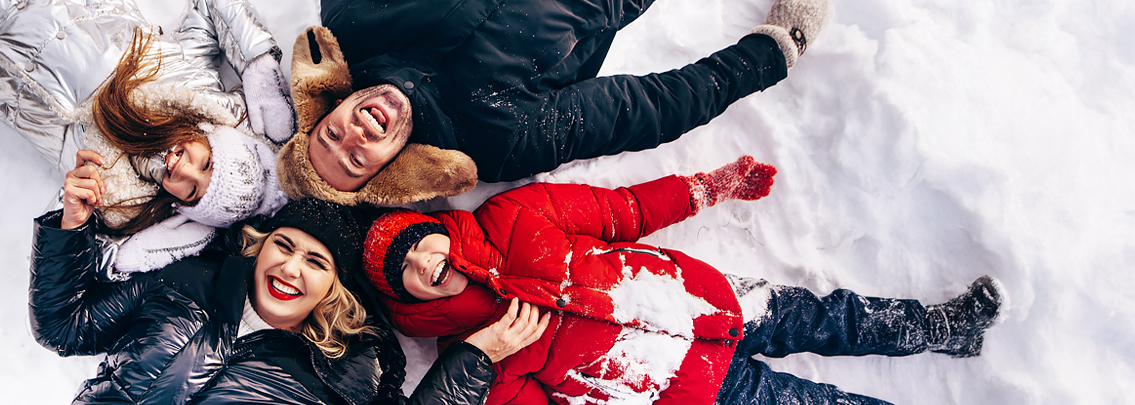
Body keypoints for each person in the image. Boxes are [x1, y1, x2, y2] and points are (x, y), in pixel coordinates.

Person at [356, 156, 1008, 404]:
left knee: (832, 315)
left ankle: (942, 328)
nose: (418, 263)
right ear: (408, 302)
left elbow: (622, 211)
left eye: (415, 242)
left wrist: (705, 188)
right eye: (402, 275)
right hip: (695, 387)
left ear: (435, 225)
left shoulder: (514, 215)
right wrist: (490, 355)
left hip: (710, 298)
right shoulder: (473, 359)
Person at [275, 0, 831, 206]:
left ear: (329, 109)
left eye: (331, 134)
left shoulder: (353, 20)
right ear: (388, 171)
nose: (356, 135)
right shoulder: (495, 139)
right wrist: (770, 55)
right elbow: (644, 108)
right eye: (356, 160)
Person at [30, 194, 551, 404]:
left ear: (334, 291)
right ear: (258, 250)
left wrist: (473, 360)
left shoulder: (350, 373)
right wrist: (69, 228)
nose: (291, 267)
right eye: (283, 245)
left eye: (316, 263)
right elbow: (64, 326)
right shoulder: (184, 285)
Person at [2, 0, 296, 273]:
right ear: (212, 137)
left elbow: (64, 270)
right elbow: (212, 5)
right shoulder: (194, 83)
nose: (184, 170)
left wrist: (72, 222)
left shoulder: (113, 198)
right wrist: (259, 67)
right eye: (206, 163)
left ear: (181, 206)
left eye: (192, 191)